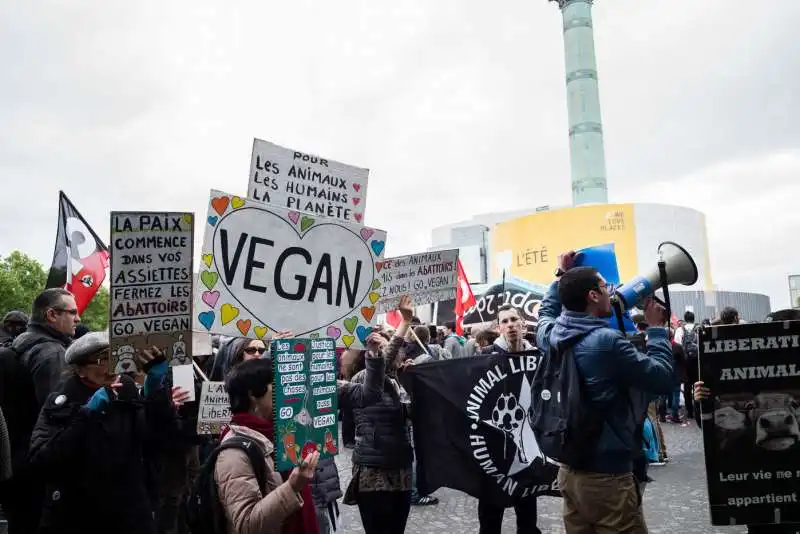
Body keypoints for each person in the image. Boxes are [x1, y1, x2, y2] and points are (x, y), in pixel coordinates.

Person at [536, 251, 676, 533]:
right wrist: (658, 330)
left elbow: (544, 315)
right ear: (592, 296)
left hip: (570, 472)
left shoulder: (553, 335)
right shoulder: (606, 341)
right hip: (608, 477)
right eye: (605, 287)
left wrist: (560, 277)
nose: (611, 292)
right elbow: (661, 379)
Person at [28, 331, 190, 534]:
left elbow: (162, 440)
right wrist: (86, 414)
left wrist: (155, 391)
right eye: (103, 359)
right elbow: (43, 461)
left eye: (117, 356)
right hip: (78, 515)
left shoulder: (128, 394)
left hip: (130, 514)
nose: (112, 365)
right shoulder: (62, 402)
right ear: (81, 371)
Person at [215, 358, 320, 534]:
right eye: (276, 386)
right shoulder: (233, 453)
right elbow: (246, 524)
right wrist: (292, 487)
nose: (285, 392)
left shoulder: (280, 432)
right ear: (253, 394)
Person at [5, 288, 79, 533]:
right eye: (73, 312)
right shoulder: (52, 353)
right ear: (51, 315)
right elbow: (56, 418)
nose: (78, 318)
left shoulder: (20, 344)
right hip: (38, 469)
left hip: (15, 459)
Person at [341, 296, 416, 534]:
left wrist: (412, 382)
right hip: (374, 473)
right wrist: (405, 322)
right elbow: (384, 358)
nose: (391, 349)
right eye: (383, 345)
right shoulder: (364, 380)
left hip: (400, 467)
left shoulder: (396, 380)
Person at [693, 382, 797, 534]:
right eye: (751, 407)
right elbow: (712, 432)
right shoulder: (739, 441)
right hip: (757, 488)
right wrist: (702, 403)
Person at [477, 304, 540, 534]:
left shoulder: (536, 355)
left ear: (522, 324)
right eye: (505, 321)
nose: (511, 325)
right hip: (495, 442)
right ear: (498, 327)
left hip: (528, 439)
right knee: (491, 511)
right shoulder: (485, 357)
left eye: (514, 319)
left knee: (526, 507)